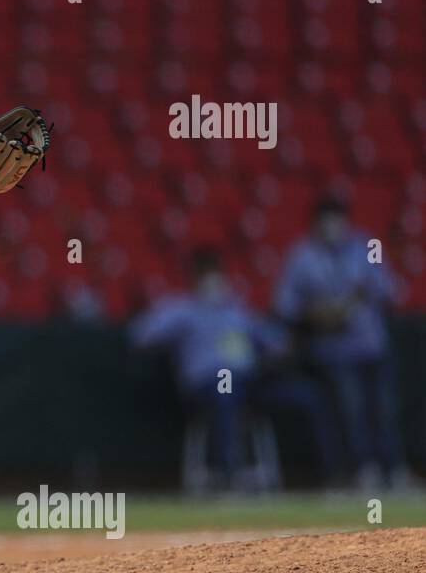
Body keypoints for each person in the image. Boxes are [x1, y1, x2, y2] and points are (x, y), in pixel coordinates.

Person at [131, 248, 339, 491]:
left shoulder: (237, 310)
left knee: (308, 395)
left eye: (216, 274)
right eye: (205, 276)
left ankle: (332, 476)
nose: (212, 282)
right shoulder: (182, 310)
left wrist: (290, 338)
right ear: (194, 279)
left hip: (250, 383)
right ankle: (229, 477)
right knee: (225, 391)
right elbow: (141, 335)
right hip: (206, 388)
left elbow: (277, 343)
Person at [274, 193, 412, 490]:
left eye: (336, 217)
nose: (331, 225)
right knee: (351, 411)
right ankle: (363, 470)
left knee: (384, 410)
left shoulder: (365, 246)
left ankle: (394, 469)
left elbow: (392, 291)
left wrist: (360, 295)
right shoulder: (302, 255)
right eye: (325, 218)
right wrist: (318, 312)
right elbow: (286, 305)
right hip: (335, 350)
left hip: (372, 344)